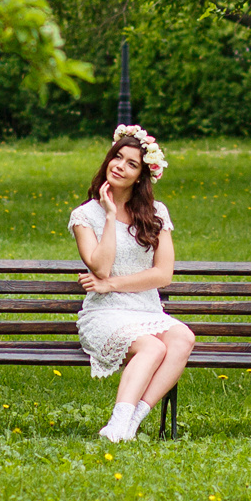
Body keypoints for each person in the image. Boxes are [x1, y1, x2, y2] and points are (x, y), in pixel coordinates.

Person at [68, 125, 195, 442]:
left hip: (145, 310)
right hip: (104, 315)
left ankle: (130, 423)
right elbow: (100, 265)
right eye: (117, 157)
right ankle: (117, 423)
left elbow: (163, 274)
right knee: (152, 346)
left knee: (183, 338)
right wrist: (110, 215)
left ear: (141, 175)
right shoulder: (86, 216)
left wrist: (112, 284)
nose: (120, 166)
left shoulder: (156, 213)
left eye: (131, 163)